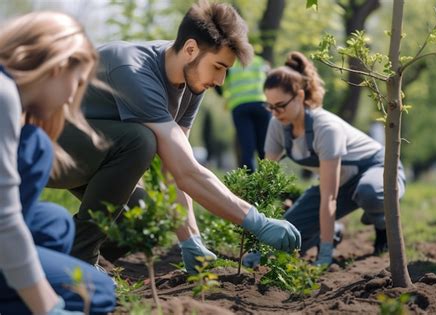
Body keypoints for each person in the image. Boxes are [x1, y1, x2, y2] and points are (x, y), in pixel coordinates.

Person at [47, 0, 301, 274]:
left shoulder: (192, 85)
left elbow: (177, 164)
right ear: (191, 49)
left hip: (90, 150)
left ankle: (49, 254)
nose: (220, 81)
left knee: (142, 218)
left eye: (226, 70)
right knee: (140, 141)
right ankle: (81, 260)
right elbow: (187, 171)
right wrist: (256, 221)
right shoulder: (134, 71)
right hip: (43, 149)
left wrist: (190, 240)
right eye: (218, 67)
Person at [0, 11, 116, 315]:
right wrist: (48, 306)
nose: (70, 100)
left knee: (55, 223)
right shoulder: (3, 96)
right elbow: (4, 221)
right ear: (58, 65)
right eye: (77, 84)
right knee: (97, 292)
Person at [263, 51, 406, 265]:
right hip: (342, 181)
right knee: (286, 238)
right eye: (270, 106)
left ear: (300, 97)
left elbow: (329, 198)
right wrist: (258, 234)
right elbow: (265, 179)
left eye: (280, 105)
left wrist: (325, 254)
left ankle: (381, 224)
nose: (275, 112)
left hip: (378, 171)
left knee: (369, 193)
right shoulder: (277, 125)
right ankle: (334, 230)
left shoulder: (326, 128)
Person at [215, 54, 271, 172]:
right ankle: (269, 182)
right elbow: (272, 80)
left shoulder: (230, 64)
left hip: (240, 106)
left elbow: (217, 84)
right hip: (261, 105)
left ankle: (249, 184)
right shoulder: (260, 61)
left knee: (247, 148)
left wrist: (223, 94)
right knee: (265, 147)